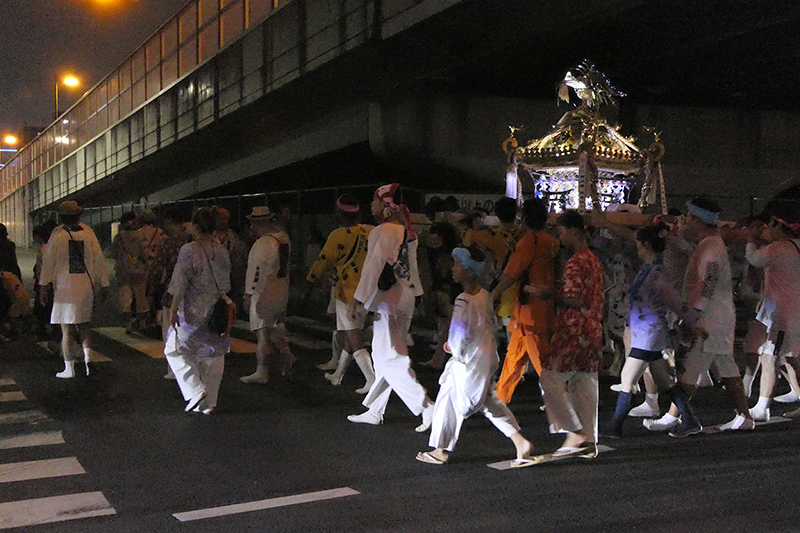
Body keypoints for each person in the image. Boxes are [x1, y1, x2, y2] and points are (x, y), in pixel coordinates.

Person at [416, 246, 532, 465]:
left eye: (458, 264)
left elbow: (459, 335)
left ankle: (440, 449)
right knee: (486, 402)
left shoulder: (464, 299)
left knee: (449, 399)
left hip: (468, 361)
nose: (454, 268)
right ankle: (519, 441)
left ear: (470, 271)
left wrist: (451, 347)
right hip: (484, 358)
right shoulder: (484, 295)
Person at [347, 183, 435, 431]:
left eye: (375, 200)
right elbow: (413, 268)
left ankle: (426, 406)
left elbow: (373, 267)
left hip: (389, 299)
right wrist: (417, 294)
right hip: (405, 296)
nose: (371, 205)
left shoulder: (384, 230)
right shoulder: (408, 231)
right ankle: (375, 410)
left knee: (389, 358)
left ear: (386, 205)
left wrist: (358, 300)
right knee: (383, 354)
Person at [665, 197, 754, 436]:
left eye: (687, 217)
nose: (684, 221)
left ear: (697, 220)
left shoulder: (710, 246)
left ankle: (676, 417)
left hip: (709, 318)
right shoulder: (712, 243)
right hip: (718, 315)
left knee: (692, 367)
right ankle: (744, 416)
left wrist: (694, 312)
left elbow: (709, 281)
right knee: (727, 367)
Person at [599, 224, 699, 438]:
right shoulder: (652, 269)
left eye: (638, 243)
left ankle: (615, 426)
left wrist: (692, 320)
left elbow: (672, 300)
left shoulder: (655, 272)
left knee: (628, 377)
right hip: (649, 331)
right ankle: (690, 420)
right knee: (665, 380)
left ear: (645, 244)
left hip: (648, 332)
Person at [524, 210, 604, 457]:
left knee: (550, 379)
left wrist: (546, 293)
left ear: (573, 231)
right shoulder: (594, 260)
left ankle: (574, 431)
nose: (559, 237)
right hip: (593, 329)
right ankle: (589, 440)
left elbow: (574, 299)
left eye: (561, 231)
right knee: (586, 385)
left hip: (573, 330)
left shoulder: (575, 262)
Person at [491, 198, 560, 405]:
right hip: (542, 306)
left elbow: (512, 273)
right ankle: (501, 396)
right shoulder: (552, 242)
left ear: (524, 218)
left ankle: (561, 399)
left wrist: (494, 294)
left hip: (529, 309)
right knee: (515, 355)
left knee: (540, 359)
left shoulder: (529, 241)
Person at [305, 194, 375, 393]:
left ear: (338, 213)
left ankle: (371, 378)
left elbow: (324, 261)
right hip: (369, 289)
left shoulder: (338, 235)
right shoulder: (370, 231)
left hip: (347, 291)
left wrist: (310, 280)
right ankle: (338, 374)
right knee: (349, 335)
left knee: (353, 336)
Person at [165, 207, 232, 414]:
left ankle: (194, 390)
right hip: (218, 308)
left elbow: (180, 281)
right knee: (214, 353)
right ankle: (209, 403)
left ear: (195, 226)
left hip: (193, 309)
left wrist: (173, 308)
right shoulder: (221, 250)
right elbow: (227, 281)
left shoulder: (189, 250)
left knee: (174, 349)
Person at [39, 200, 110, 378]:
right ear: (78, 215)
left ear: (62, 217)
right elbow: (99, 259)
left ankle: (69, 368)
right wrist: (104, 283)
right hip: (85, 285)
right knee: (84, 325)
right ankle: (89, 361)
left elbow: (48, 261)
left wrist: (44, 285)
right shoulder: (88, 232)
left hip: (65, 287)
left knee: (67, 329)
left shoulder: (57, 234)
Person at [744, 216, 800, 420]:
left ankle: (762, 407)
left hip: (782, 314)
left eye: (770, 225)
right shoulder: (794, 246)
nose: (767, 229)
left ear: (781, 227)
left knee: (770, 357)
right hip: (790, 311)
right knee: (790, 358)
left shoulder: (780, 248)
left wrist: (751, 239)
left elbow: (754, 258)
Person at [240, 206, 296, 383]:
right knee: (276, 327)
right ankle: (287, 355)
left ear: (256, 223)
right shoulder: (283, 239)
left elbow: (255, 272)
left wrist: (248, 294)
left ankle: (261, 371)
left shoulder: (262, 244)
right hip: (281, 289)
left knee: (263, 333)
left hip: (264, 293)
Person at [463, 196, 524, 339]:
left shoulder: (493, 235)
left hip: (501, 289)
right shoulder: (525, 235)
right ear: (516, 213)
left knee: (495, 336)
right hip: (523, 287)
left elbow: (467, 237)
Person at [148, 208, 191, 379]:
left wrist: (152, 290)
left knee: (171, 331)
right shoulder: (193, 241)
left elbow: (157, 268)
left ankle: (174, 370)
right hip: (195, 293)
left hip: (172, 292)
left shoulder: (169, 243)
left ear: (168, 221)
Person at [112, 212, 149, 334]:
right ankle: (143, 324)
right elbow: (145, 254)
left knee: (125, 298)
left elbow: (114, 254)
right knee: (141, 297)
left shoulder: (118, 238)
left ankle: (128, 325)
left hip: (123, 272)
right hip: (139, 271)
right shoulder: (140, 236)